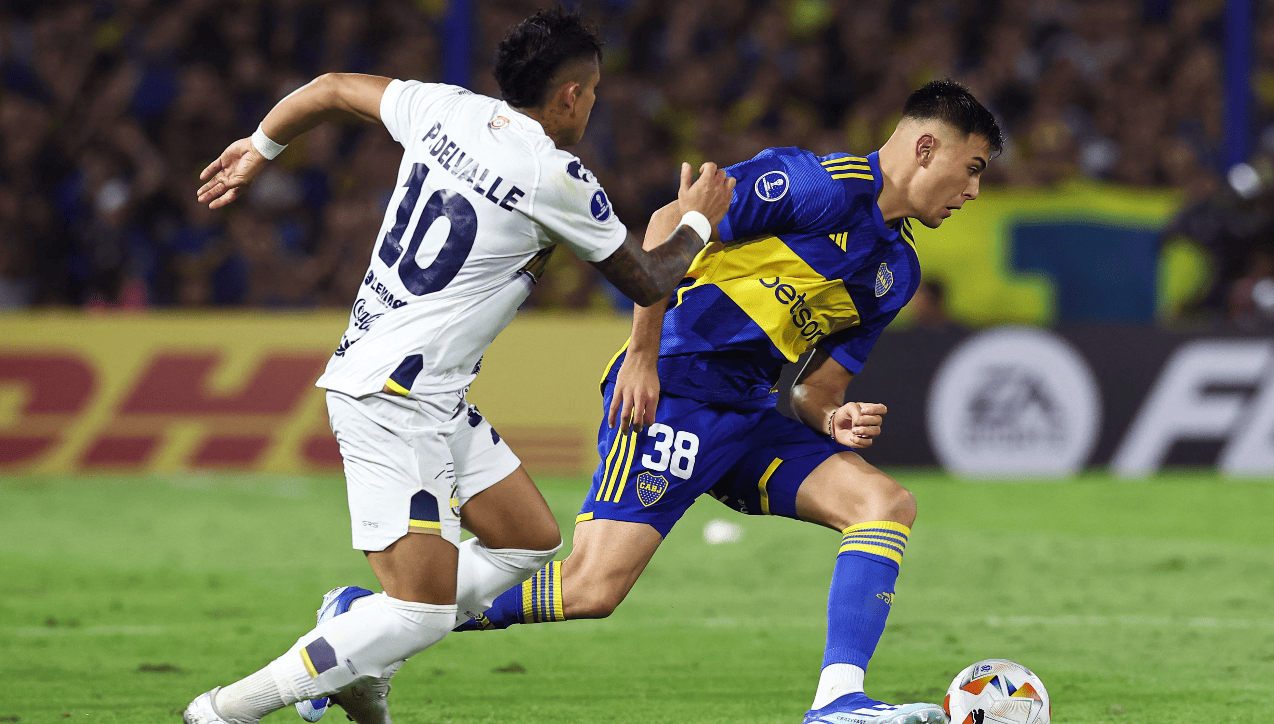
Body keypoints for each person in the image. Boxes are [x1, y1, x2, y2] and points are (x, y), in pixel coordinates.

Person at [181, 8, 734, 724]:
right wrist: (698, 220)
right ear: (569, 96)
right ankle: (225, 710)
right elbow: (652, 280)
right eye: (592, 90)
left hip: (429, 392)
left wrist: (262, 145)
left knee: (530, 541)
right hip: (391, 398)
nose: (594, 104)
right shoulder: (557, 177)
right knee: (421, 614)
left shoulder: (443, 108)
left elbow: (330, 86)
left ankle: (358, 642)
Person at [453, 79, 1002, 724]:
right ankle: (389, 611)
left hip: (748, 417)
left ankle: (838, 702)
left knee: (884, 505)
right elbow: (666, 227)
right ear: (927, 147)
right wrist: (642, 356)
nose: (971, 192)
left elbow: (816, 389)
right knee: (591, 588)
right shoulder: (813, 185)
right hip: (677, 389)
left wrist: (833, 418)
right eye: (971, 171)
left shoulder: (897, 273)